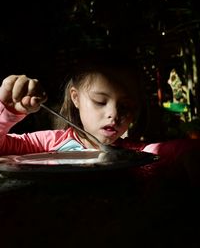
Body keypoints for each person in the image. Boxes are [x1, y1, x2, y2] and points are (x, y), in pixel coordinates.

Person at [0, 50, 200, 185]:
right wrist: (8, 111)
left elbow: (166, 151)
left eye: (126, 106)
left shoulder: (129, 155)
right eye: (100, 101)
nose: (114, 114)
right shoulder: (47, 144)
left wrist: (189, 151)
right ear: (76, 99)